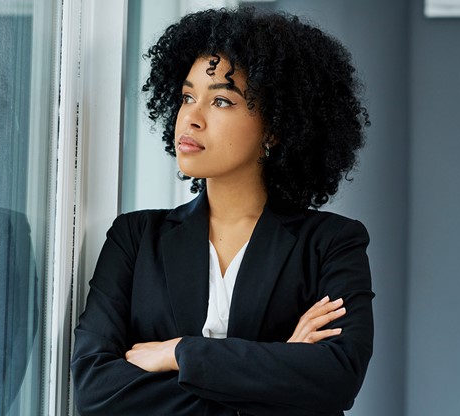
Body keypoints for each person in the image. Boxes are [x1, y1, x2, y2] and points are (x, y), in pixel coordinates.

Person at [72, 7, 373, 416]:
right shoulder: (135, 237)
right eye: (187, 97)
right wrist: (277, 371)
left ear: (275, 128)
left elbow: (336, 380)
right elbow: (95, 389)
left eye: (221, 101)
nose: (191, 119)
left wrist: (180, 353)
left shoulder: (330, 243)